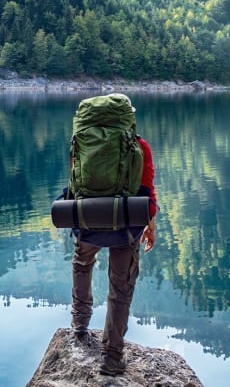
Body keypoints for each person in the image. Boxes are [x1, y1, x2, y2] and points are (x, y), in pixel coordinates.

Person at [70, 95, 158, 376]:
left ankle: (80, 324)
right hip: (125, 225)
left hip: (87, 220)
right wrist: (150, 224)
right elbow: (147, 190)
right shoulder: (139, 146)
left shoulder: (81, 143)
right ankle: (111, 357)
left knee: (82, 263)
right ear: (127, 119)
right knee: (120, 288)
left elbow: (75, 181)